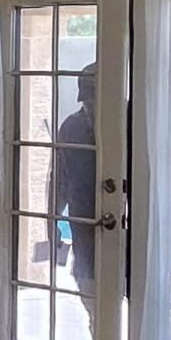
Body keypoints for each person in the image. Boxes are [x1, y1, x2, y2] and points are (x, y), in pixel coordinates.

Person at [52, 64, 99, 296]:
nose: (90, 105)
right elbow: (60, 177)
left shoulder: (132, 120)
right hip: (82, 218)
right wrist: (53, 219)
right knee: (88, 287)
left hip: (124, 224)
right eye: (88, 99)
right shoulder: (72, 127)